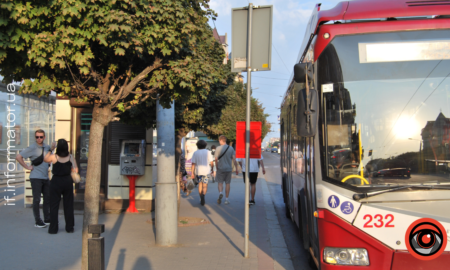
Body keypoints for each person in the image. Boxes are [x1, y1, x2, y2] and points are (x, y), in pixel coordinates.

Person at [16, 129, 55, 228]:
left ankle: (47, 218)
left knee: (47, 199)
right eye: (37, 137)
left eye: (41, 137)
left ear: (44, 137)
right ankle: (38, 221)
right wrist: (27, 167)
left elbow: (48, 159)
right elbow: (18, 157)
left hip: (45, 177)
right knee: (37, 200)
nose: (39, 139)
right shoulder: (32, 147)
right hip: (36, 178)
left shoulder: (47, 147)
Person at [44, 139, 78, 234]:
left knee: (54, 205)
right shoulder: (70, 156)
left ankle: (53, 229)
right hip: (67, 181)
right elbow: (76, 169)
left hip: (56, 182)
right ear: (66, 147)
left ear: (58, 147)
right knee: (68, 205)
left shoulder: (54, 157)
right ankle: (69, 228)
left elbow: (45, 159)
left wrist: (51, 149)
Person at [215, 135, 238, 205]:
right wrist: (236, 168)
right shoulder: (231, 148)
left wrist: (217, 167)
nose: (219, 142)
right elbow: (234, 159)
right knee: (228, 183)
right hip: (228, 169)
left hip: (220, 168)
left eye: (219, 141)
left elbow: (216, 159)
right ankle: (226, 199)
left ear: (221, 140)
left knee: (220, 182)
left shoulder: (218, 148)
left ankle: (220, 193)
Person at [191, 140, 214, 206]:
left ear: (197, 145)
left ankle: (201, 197)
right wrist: (212, 169)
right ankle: (203, 195)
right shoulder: (208, 152)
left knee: (200, 185)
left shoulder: (195, 153)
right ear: (205, 145)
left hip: (198, 172)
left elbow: (193, 164)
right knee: (205, 185)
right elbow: (211, 162)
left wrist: (192, 173)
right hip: (206, 172)